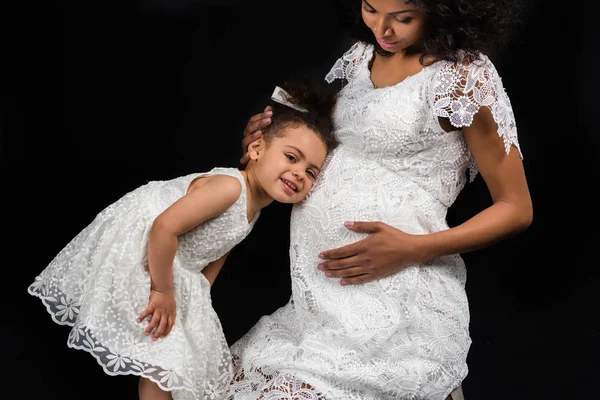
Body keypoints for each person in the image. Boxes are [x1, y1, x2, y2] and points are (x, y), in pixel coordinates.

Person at [228, 0, 532, 399]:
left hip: (396, 298)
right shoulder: (361, 55)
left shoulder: (463, 78)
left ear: (444, 10)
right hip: (319, 303)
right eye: (371, 8)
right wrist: (269, 142)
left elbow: (516, 208)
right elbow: (329, 141)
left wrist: (412, 249)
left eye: (402, 18)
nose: (382, 29)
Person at [27, 79, 338, 400]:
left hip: (175, 259)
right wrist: (162, 290)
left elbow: (222, 245)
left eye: (311, 171)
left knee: (175, 352)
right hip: (143, 242)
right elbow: (163, 227)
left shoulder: (253, 208)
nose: (300, 172)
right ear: (256, 149)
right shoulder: (230, 188)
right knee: (163, 358)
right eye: (291, 157)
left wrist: (200, 296)